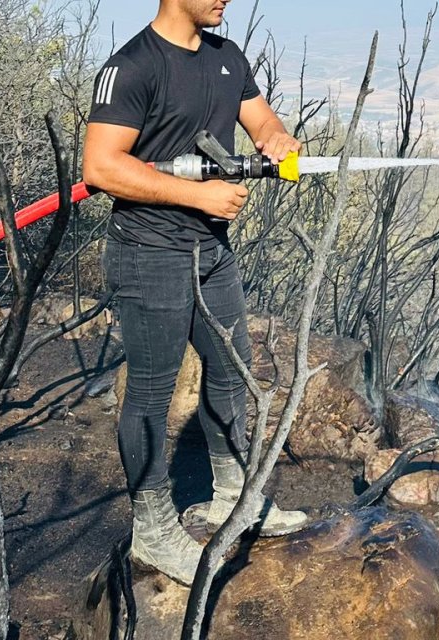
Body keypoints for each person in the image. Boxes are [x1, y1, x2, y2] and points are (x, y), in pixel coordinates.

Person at [82, 0, 308, 586]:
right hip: (147, 253)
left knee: (233, 370)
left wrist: (277, 138)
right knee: (151, 393)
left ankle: (236, 498)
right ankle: (153, 533)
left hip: (213, 254)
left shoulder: (227, 57)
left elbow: (262, 123)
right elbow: (101, 168)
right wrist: (197, 197)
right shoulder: (131, 67)